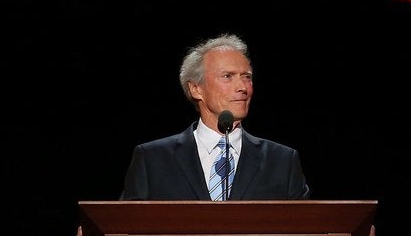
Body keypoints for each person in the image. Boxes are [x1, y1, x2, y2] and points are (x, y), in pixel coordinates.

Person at [120, 34, 308, 201]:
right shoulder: (152, 159)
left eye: (247, 77)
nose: (243, 87)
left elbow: (305, 233)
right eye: (228, 76)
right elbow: (126, 231)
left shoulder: (282, 162)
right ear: (196, 89)